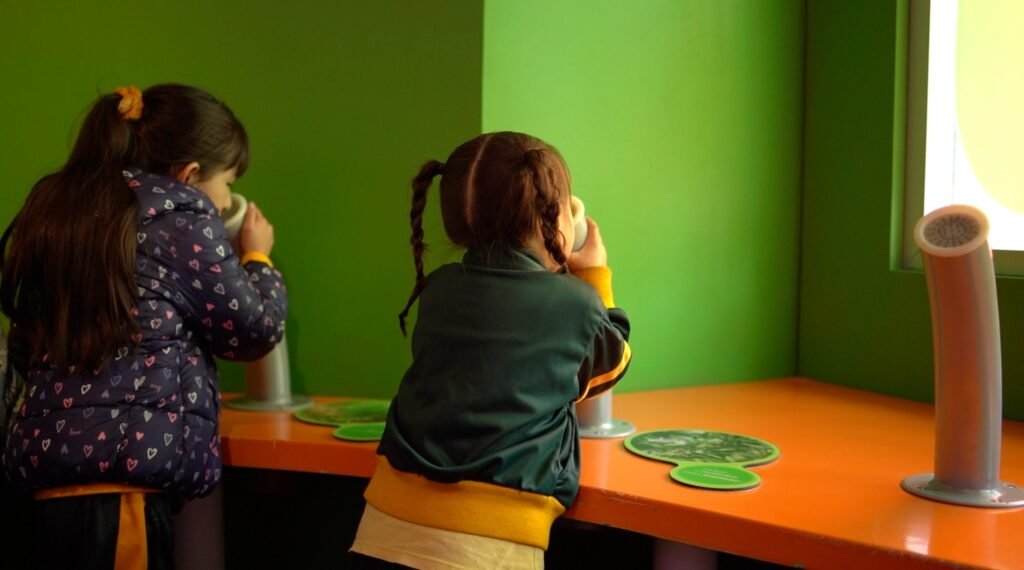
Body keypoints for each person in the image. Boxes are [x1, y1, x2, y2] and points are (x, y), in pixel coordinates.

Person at [0, 83, 287, 569]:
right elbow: (253, 330)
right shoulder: (182, 216)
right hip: (122, 481)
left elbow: (27, 342)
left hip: (49, 483)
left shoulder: (64, 209)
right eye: (227, 183)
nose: (224, 202)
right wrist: (258, 258)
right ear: (190, 174)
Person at [350, 131, 632, 569]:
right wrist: (595, 276)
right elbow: (609, 366)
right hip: (489, 543)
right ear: (557, 217)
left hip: (384, 521)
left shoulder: (439, 290)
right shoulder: (574, 303)